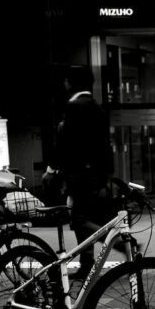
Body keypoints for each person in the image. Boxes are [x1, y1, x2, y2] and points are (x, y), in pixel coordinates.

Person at [44, 65, 115, 280]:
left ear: (71, 82)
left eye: (66, 80)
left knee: (78, 219)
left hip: (79, 175)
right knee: (86, 217)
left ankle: (117, 240)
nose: (64, 84)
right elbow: (105, 145)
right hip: (95, 175)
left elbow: (66, 144)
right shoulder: (97, 107)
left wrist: (51, 169)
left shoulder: (74, 106)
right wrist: (106, 177)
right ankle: (87, 263)